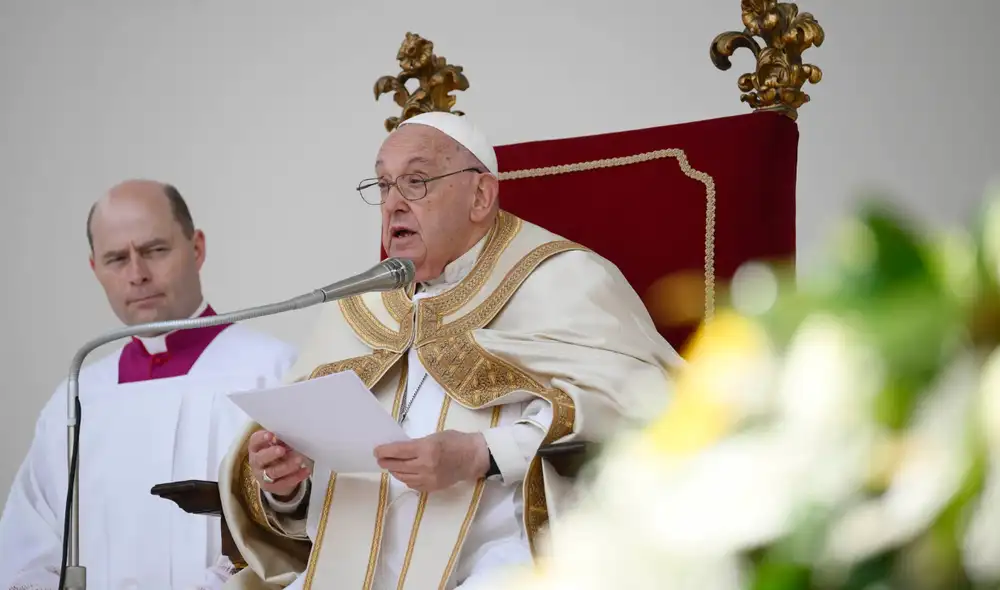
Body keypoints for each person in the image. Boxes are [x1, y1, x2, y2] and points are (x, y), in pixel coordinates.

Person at [218, 112, 684, 590]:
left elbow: (648, 409)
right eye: (383, 185)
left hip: (505, 562)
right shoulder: (357, 306)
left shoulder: (561, 279)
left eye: (416, 182)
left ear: (481, 195)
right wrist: (287, 487)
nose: (393, 204)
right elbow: (301, 485)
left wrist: (480, 454)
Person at [0, 180, 298, 590]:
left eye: (155, 250)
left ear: (196, 248)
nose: (137, 274)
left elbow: (302, 535)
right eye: (116, 259)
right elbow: (25, 548)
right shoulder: (77, 397)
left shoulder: (274, 371)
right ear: (94, 269)